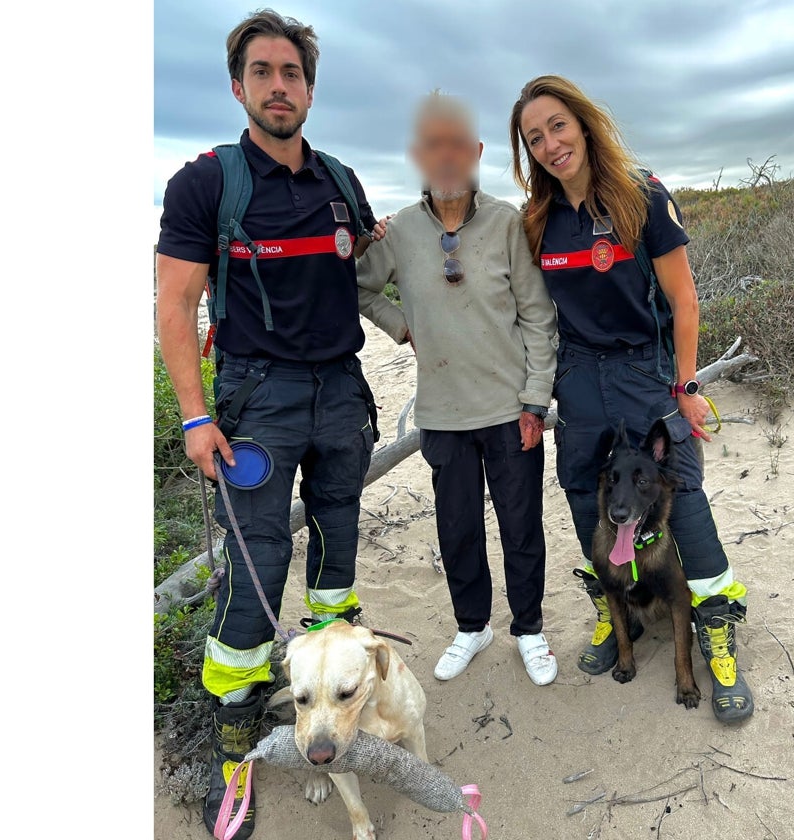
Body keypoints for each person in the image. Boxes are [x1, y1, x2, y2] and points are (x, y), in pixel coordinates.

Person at [155, 10, 388, 835]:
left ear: (311, 89)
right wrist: (192, 416)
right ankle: (236, 754)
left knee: (335, 553)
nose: (279, 86)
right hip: (257, 401)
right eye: (263, 72)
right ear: (238, 86)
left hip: (343, 395)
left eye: (291, 73)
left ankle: (335, 718)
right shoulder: (205, 184)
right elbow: (176, 303)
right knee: (254, 569)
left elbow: (368, 263)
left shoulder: (342, 180)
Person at [509, 75, 754, 722]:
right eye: (534, 137)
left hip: (645, 373)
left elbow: (683, 300)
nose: (550, 144)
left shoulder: (641, 195)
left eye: (557, 126)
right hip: (578, 380)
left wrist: (688, 386)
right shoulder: (537, 219)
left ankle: (715, 625)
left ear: (584, 124)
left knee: (683, 493)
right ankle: (614, 609)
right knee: (587, 493)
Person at [358, 93, 560, 686]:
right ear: (418, 156)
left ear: (474, 153)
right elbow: (358, 287)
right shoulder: (398, 232)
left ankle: (529, 628)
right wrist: (402, 327)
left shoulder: (507, 223)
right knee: (458, 528)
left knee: (522, 526)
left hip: (509, 409)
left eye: (456, 145)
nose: (445, 158)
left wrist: (535, 402)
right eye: (431, 146)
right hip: (441, 414)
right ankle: (473, 626)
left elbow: (538, 317)